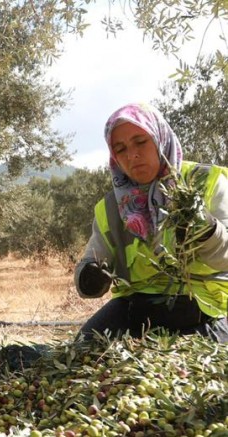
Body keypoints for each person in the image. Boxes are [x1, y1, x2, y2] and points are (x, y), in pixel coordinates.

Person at [74, 102, 228, 342]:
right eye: (120, 148)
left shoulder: (205, 182)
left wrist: (207, 230)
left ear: (159, 138)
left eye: (140, 142)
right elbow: (92, 260)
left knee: (187, 368)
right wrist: (90, 278)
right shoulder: (113, 206)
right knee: (84, 349)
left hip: (204, 309)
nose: (132, 155)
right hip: (137, 309)